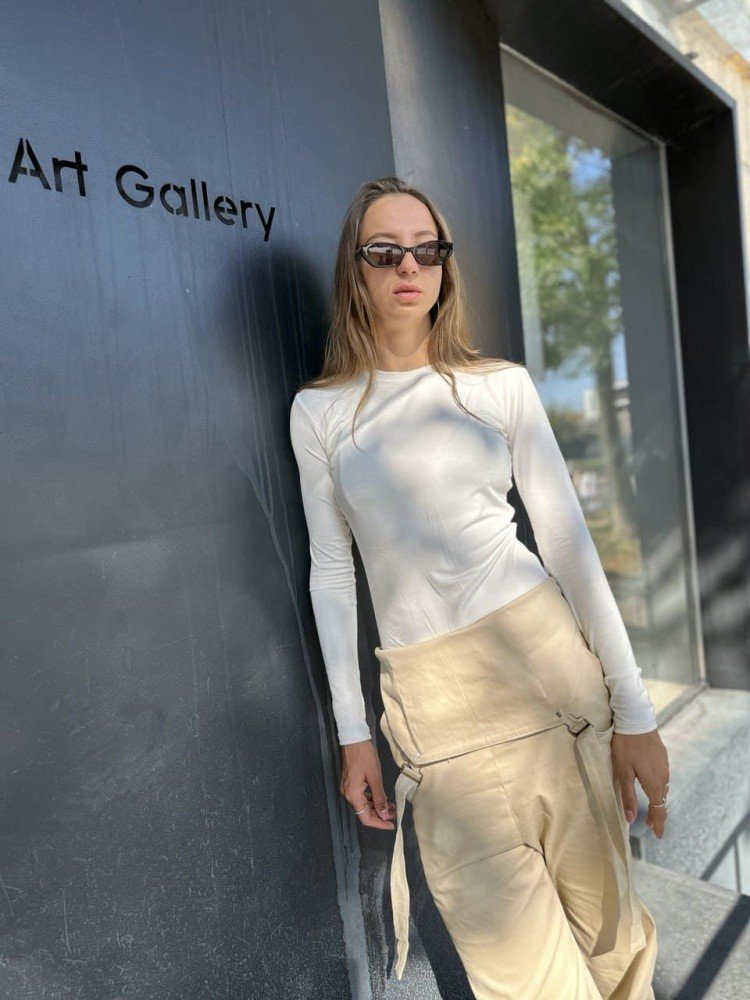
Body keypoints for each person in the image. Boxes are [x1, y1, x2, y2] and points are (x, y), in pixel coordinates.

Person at [289, 176, 669, 999]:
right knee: (524, 983)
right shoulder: (320, 413)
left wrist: (635, 712)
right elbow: (331, 571)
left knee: (618, 956)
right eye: (384, 251)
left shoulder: (499, 386)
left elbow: (568, 547)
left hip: (551, 684)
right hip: (438, 716)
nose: (408, 267)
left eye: (426, 250)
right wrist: (354, 734)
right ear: (354, 268)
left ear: (444, 264)